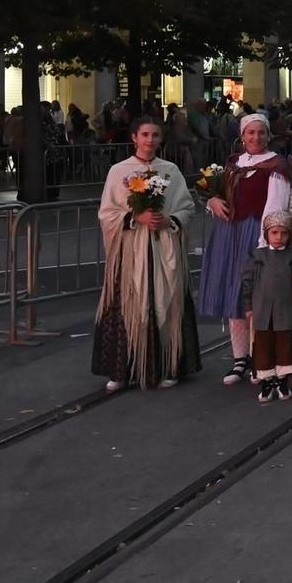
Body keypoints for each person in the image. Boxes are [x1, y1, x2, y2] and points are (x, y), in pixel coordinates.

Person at [91, 120, 200, 392]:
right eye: (145, 135)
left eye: (155, 135)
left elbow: (187, 208)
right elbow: (107, 213)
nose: (150, 140)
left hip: (163, 249)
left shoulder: (170, 171)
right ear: (134, 137)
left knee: (166, 302)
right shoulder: (119, 172)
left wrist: (170, 220)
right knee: (128, 302)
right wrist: (134, 216)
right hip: (131, 252)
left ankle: (168, 364)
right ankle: (122, 369)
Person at [198, 114, 290, 386]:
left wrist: (266, 241)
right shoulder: (233, 163)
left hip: (255, 233)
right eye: (250, 133)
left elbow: (276, 206)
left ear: (268, 135)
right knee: (232, 295)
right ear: (242, 135)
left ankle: (260, 356)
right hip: (229, 233)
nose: (256, 138)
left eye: (261, 133)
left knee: (256, 297)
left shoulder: (276, 165)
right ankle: (240, 357)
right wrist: (212, 200)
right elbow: (220, 193)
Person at [241, 212, 292, 402]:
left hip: (286, 309)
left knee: (285, 345)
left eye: (283, 233)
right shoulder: (258, 256)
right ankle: (266, 382)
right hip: (262, 310)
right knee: (263, 346)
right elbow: (247, 281)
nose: (278, 237)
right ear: (266, 234)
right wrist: (249, 306)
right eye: (274, 232)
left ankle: (282, 381)